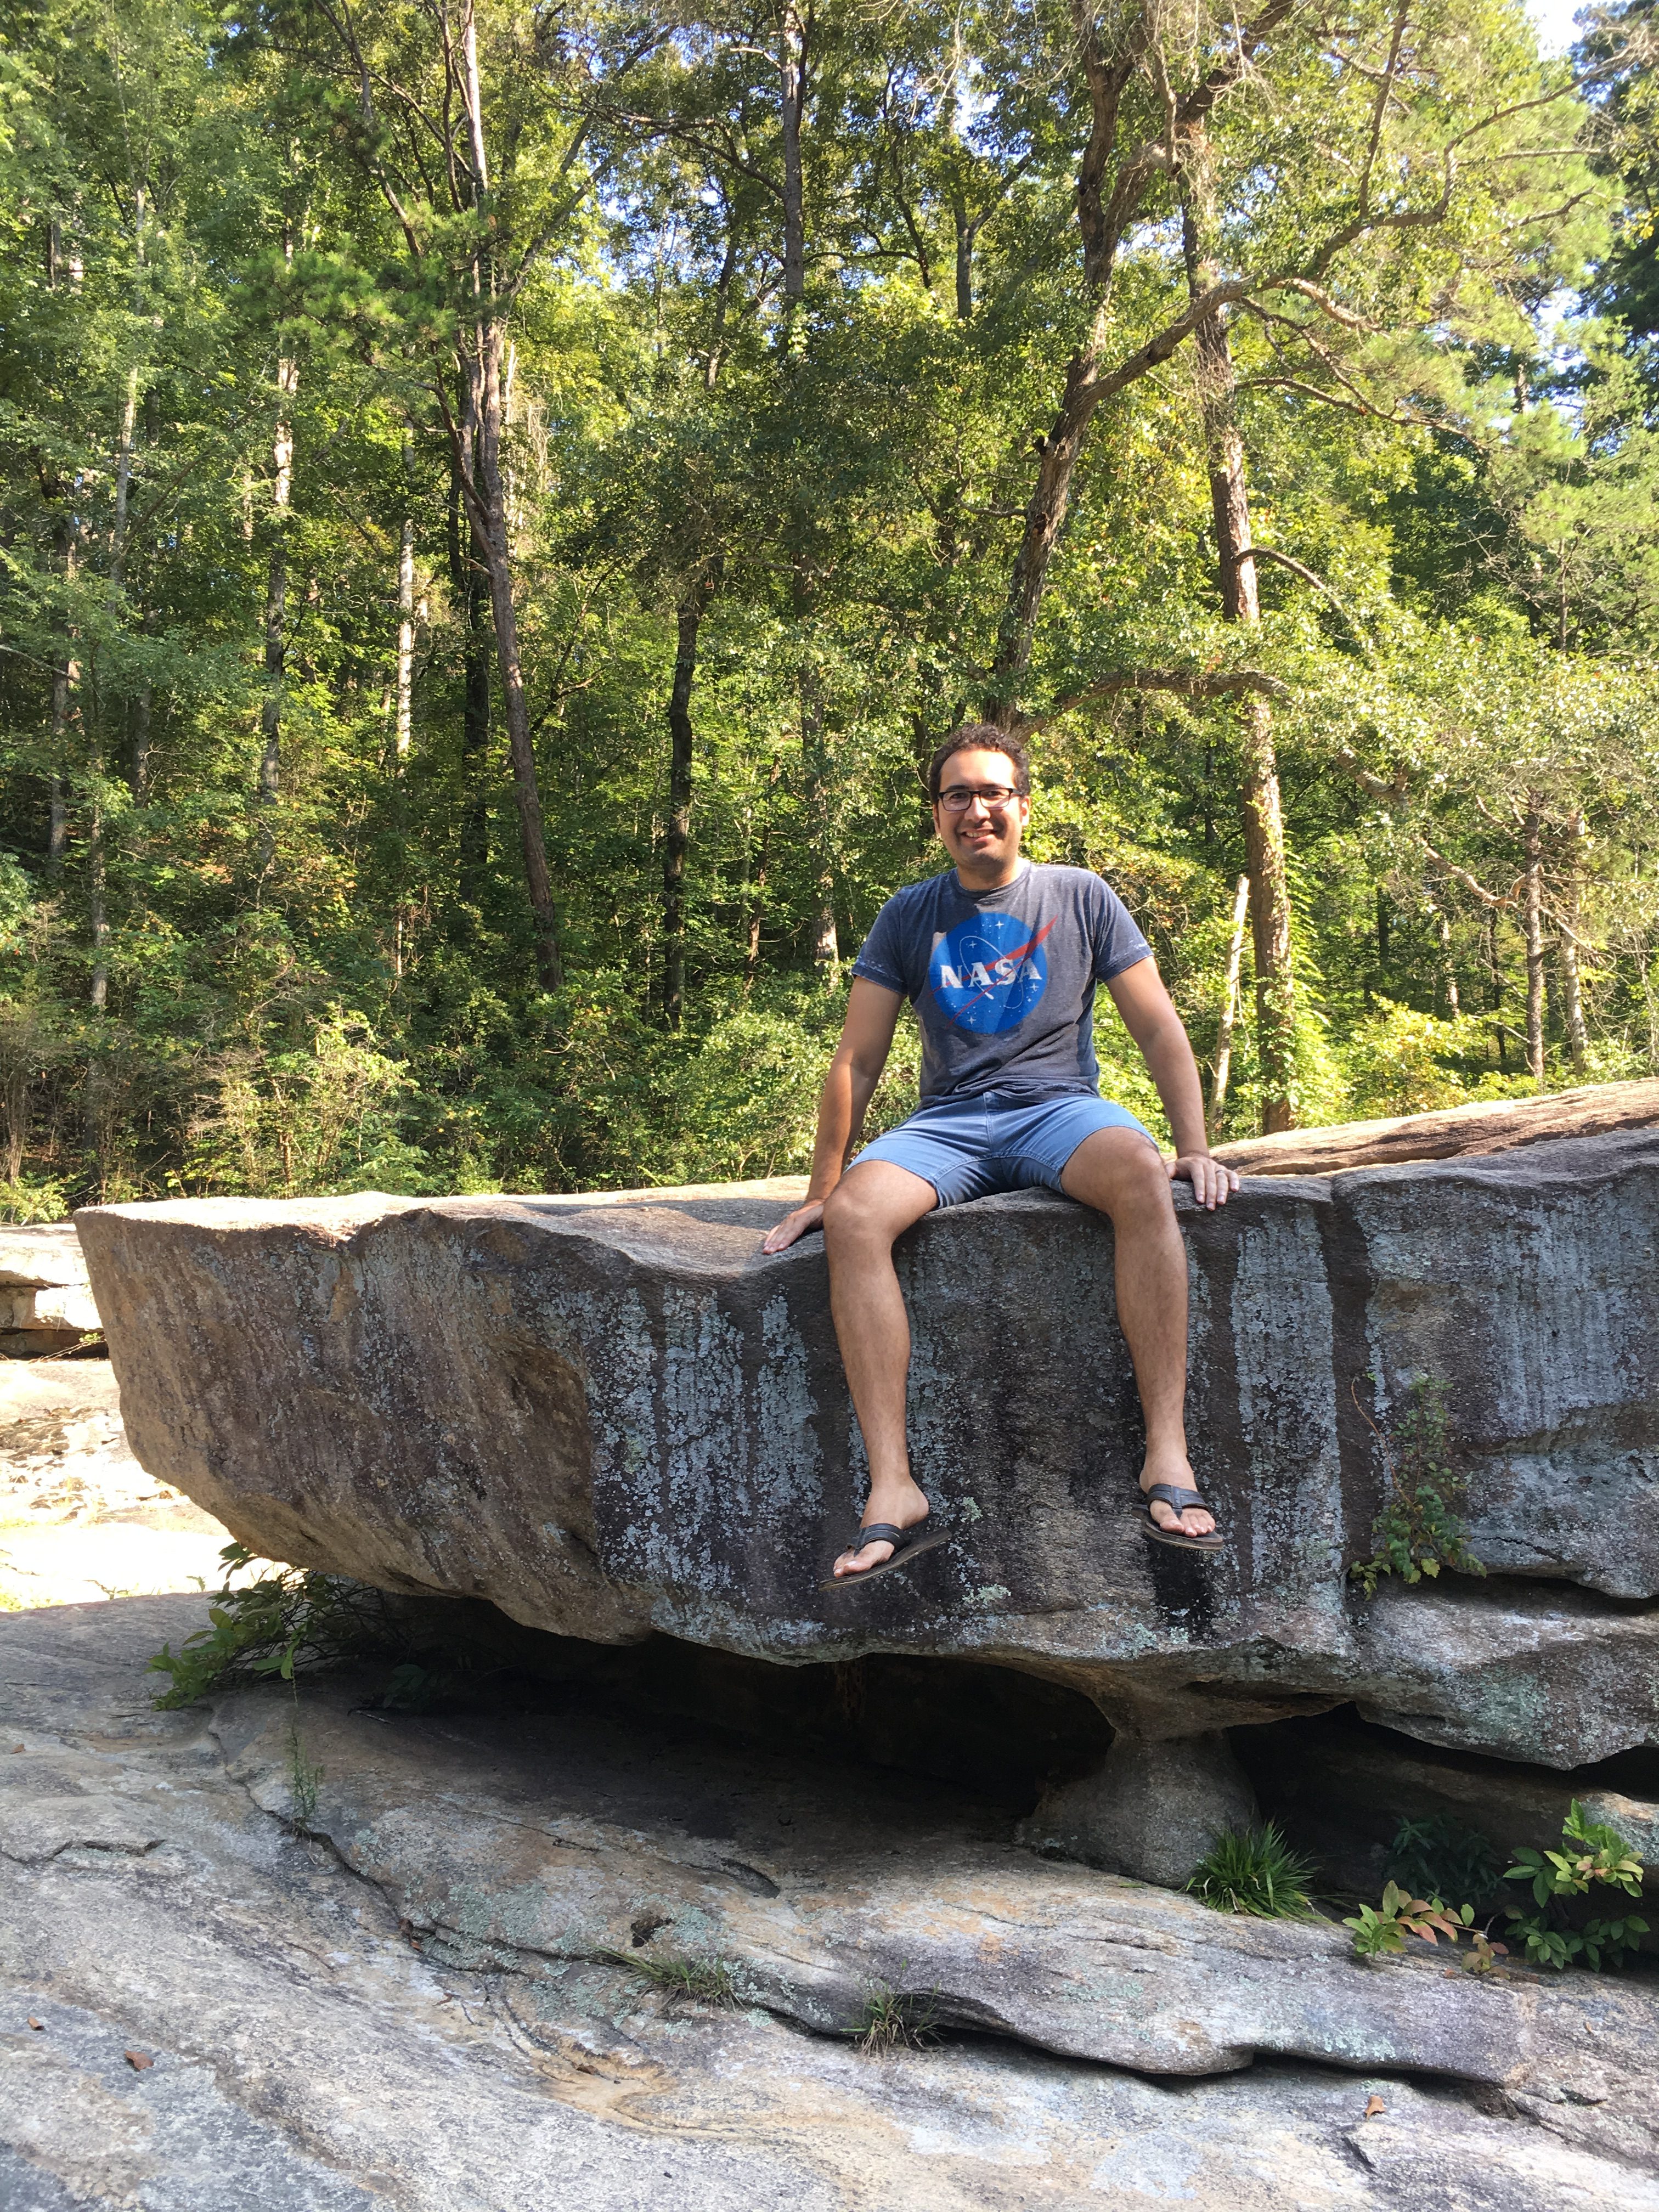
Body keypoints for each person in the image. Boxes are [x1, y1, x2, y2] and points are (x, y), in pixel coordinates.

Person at [761, 723, 1239, 1587]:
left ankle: (1167, 1455)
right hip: (949, 1125)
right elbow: (858, 1059)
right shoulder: (910, 913)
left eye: (992, 793)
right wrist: (821, 1189)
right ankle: (894, 1487)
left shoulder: (1081, 896)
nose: (976, 810)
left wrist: (1194, 1147)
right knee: (858, 1217)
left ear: (1022, 805)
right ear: (938, 814)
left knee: (1140, 1175)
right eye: (957, 796)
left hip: (1061, 1112)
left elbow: (1160, 1028)